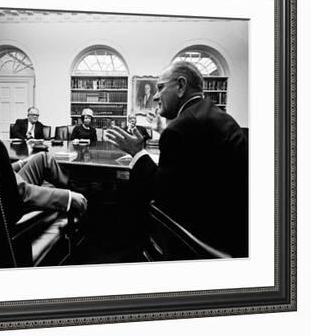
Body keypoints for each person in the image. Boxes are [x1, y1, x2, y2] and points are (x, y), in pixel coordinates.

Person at [105, 61, 248, 257]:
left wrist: (137, 152)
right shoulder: (212, 114)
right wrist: (162, 130)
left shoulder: (182, 126)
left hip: (201, 237)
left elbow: (161, 193)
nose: (155, 96)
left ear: (180, 86)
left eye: (161, 87)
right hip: (235, 228)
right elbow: (193, 166)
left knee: (132, 197)